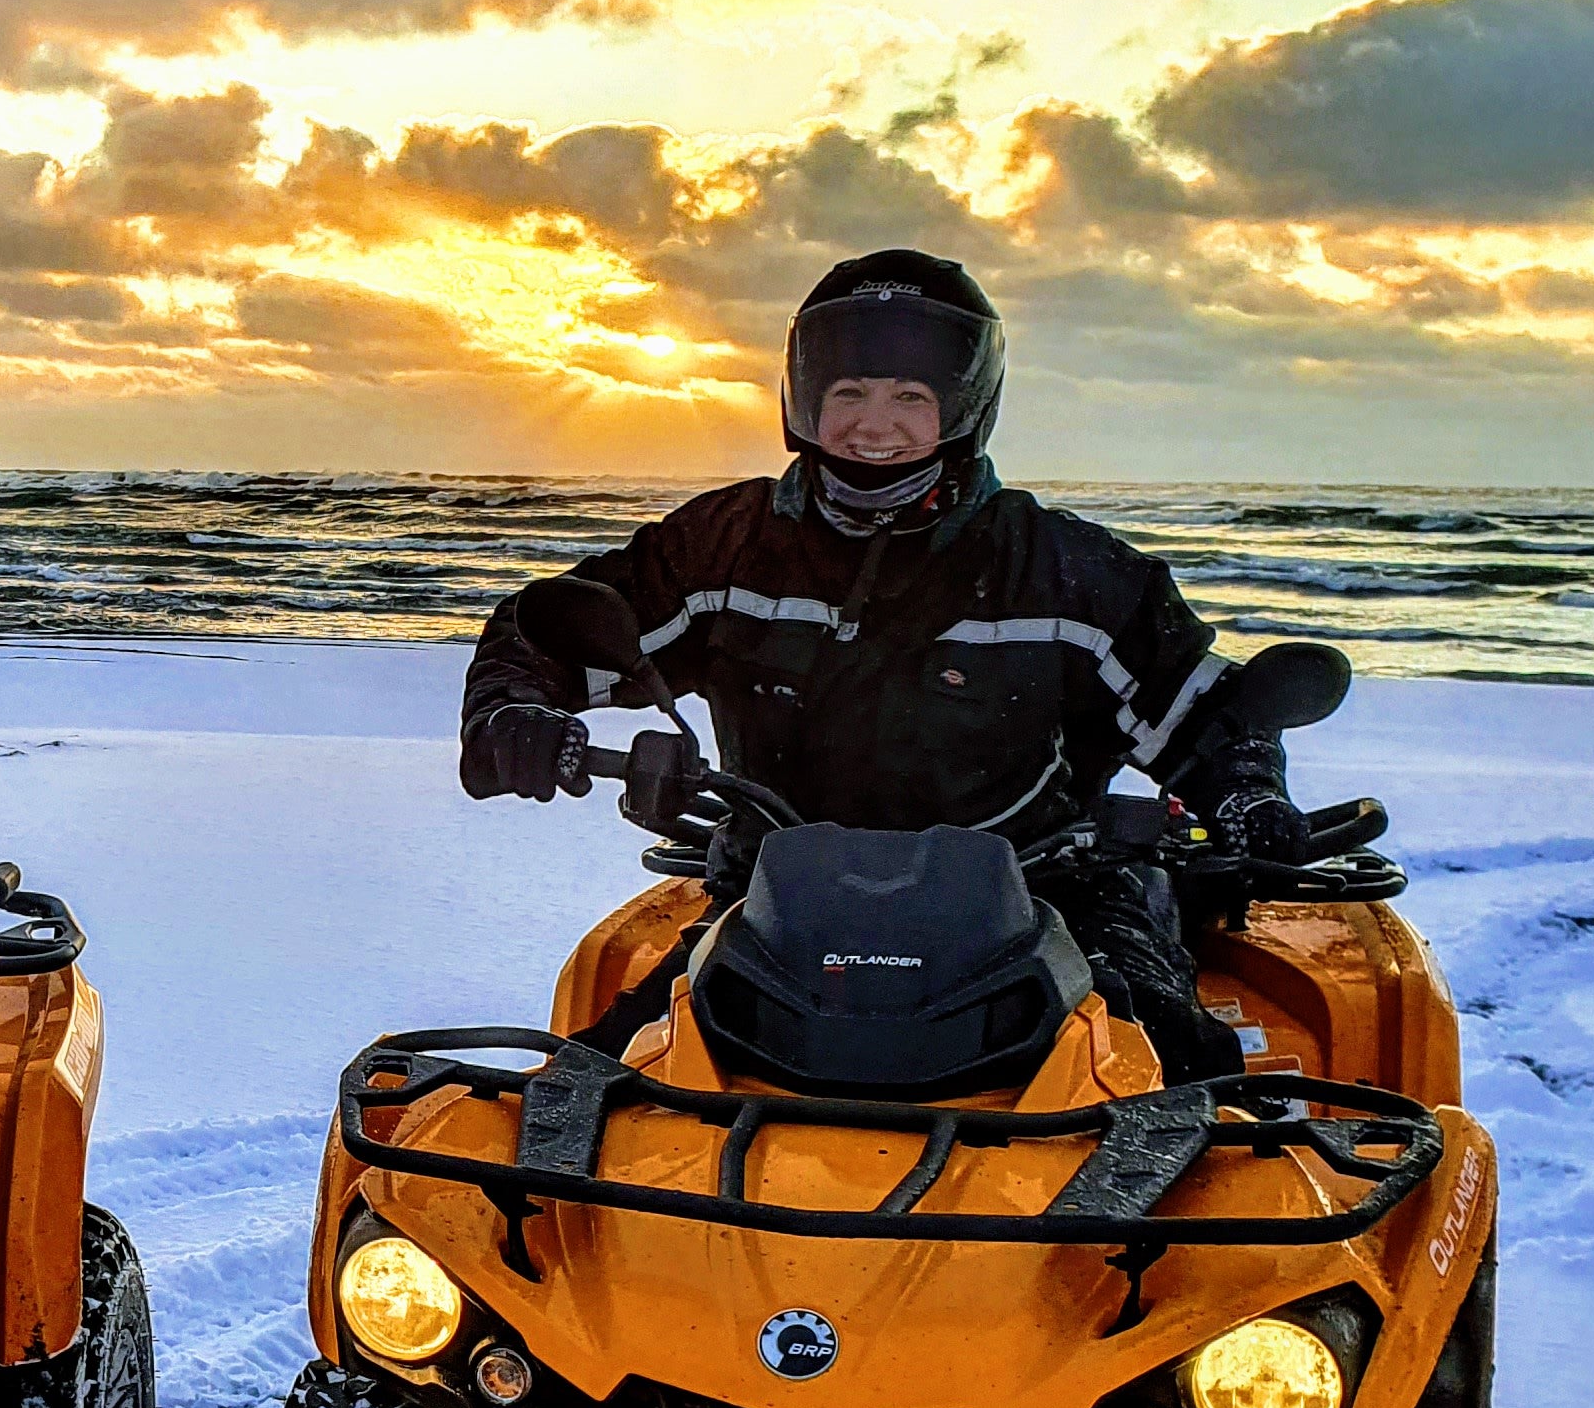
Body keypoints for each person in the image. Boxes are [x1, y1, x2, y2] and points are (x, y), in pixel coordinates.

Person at [458, 250, 1299, 1077]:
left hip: (1047, 900)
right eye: (849, 393)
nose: (874, 422)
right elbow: (549, 628)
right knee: (592, 1088)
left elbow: (1203, 710)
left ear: (963, 407)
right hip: (776, 908)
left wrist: (1249, 790)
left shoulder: (1064, 570)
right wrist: (515, 717)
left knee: (1187, 1079)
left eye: (910, 396)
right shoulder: (725, 547)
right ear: (804, 400)